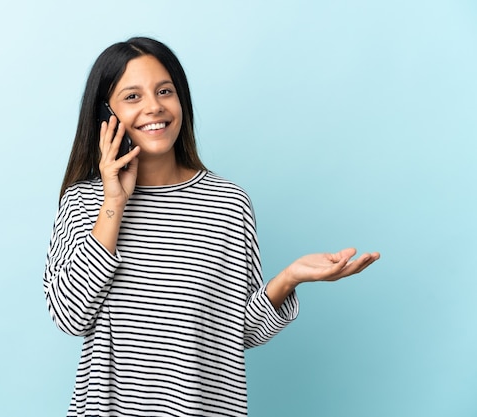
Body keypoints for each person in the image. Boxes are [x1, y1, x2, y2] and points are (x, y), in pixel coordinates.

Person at [43, 37, 380, 417]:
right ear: (107, 114)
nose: (154, 107)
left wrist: (288, 279)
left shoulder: (228, 203)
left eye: (165, 91)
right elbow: (69, 316)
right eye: (132, 97)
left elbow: (240, 333)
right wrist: (114, 205)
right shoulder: (84, 202)